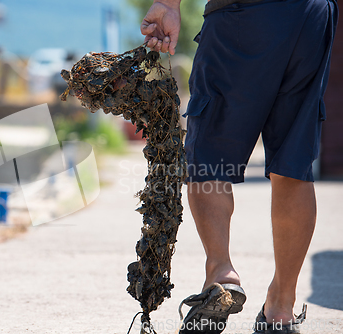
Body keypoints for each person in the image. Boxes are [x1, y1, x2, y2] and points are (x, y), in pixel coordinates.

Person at [140, 0, 338, 333]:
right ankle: (281, 308)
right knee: (292, 165)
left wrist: (166, 4)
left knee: (209, 157)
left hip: (242, 14)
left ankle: (221, 273)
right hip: (312, 16)